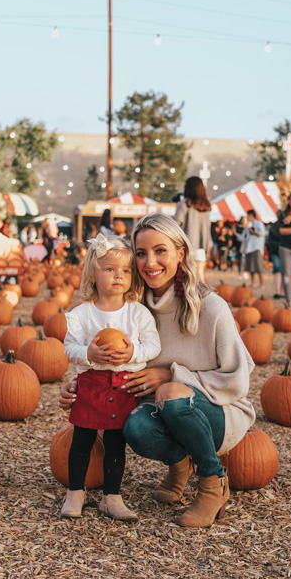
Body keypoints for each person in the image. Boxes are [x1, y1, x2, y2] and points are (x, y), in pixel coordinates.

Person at [60, 214, 256, 528]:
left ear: (181, 253)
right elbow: (120, 360)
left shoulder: (211, 307)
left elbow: (238, 378)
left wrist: (173, 375)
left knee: (171, 392)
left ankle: (212, 481)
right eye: (141, 253)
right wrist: (80, 381)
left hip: (219, 412)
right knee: (136, 428)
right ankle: (181, 464)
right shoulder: (137, 309)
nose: (150, 261)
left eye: (160, 250)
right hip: (167, 410)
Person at [61, 233, 161, 521]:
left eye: (126, 270)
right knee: (82, 440)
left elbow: (154, 346)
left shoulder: (137, 314)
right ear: (93, 274)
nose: (119, 276)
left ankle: (112, 497)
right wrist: (89, 353)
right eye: (110, 269)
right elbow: (69, 348)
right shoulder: (82, 315)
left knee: (116, 443)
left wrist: (132, 353)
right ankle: (75, 492)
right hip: (90, 383)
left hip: (124, 386)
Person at [173, 176, 212, 282]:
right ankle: (201, 298)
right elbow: (208, 228)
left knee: (184, 279)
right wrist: (207, 248)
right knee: (200, 279)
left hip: (186, 246)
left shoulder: (185, 204)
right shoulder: (207, 206)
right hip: (201, 247)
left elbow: (176, 224)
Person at [239, 210, 265, 288]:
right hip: (249, 248)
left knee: (259, 267)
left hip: (256, 247)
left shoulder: (258, 223)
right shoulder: (248, 225)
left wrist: (253, 232)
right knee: (251, 268)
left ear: (251, 215)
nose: (247, 217)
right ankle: (252, 283)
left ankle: (262, 284)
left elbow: (262, 234)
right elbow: (243, 237)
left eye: (248, 215)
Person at [265, 219, 284, 298]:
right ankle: (278, 292)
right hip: (276, 251)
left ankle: (282, 292)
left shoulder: (289, 225)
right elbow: (269, 240)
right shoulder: (273, 227)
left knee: (284, 272)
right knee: (277, 270)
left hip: (284, 251)